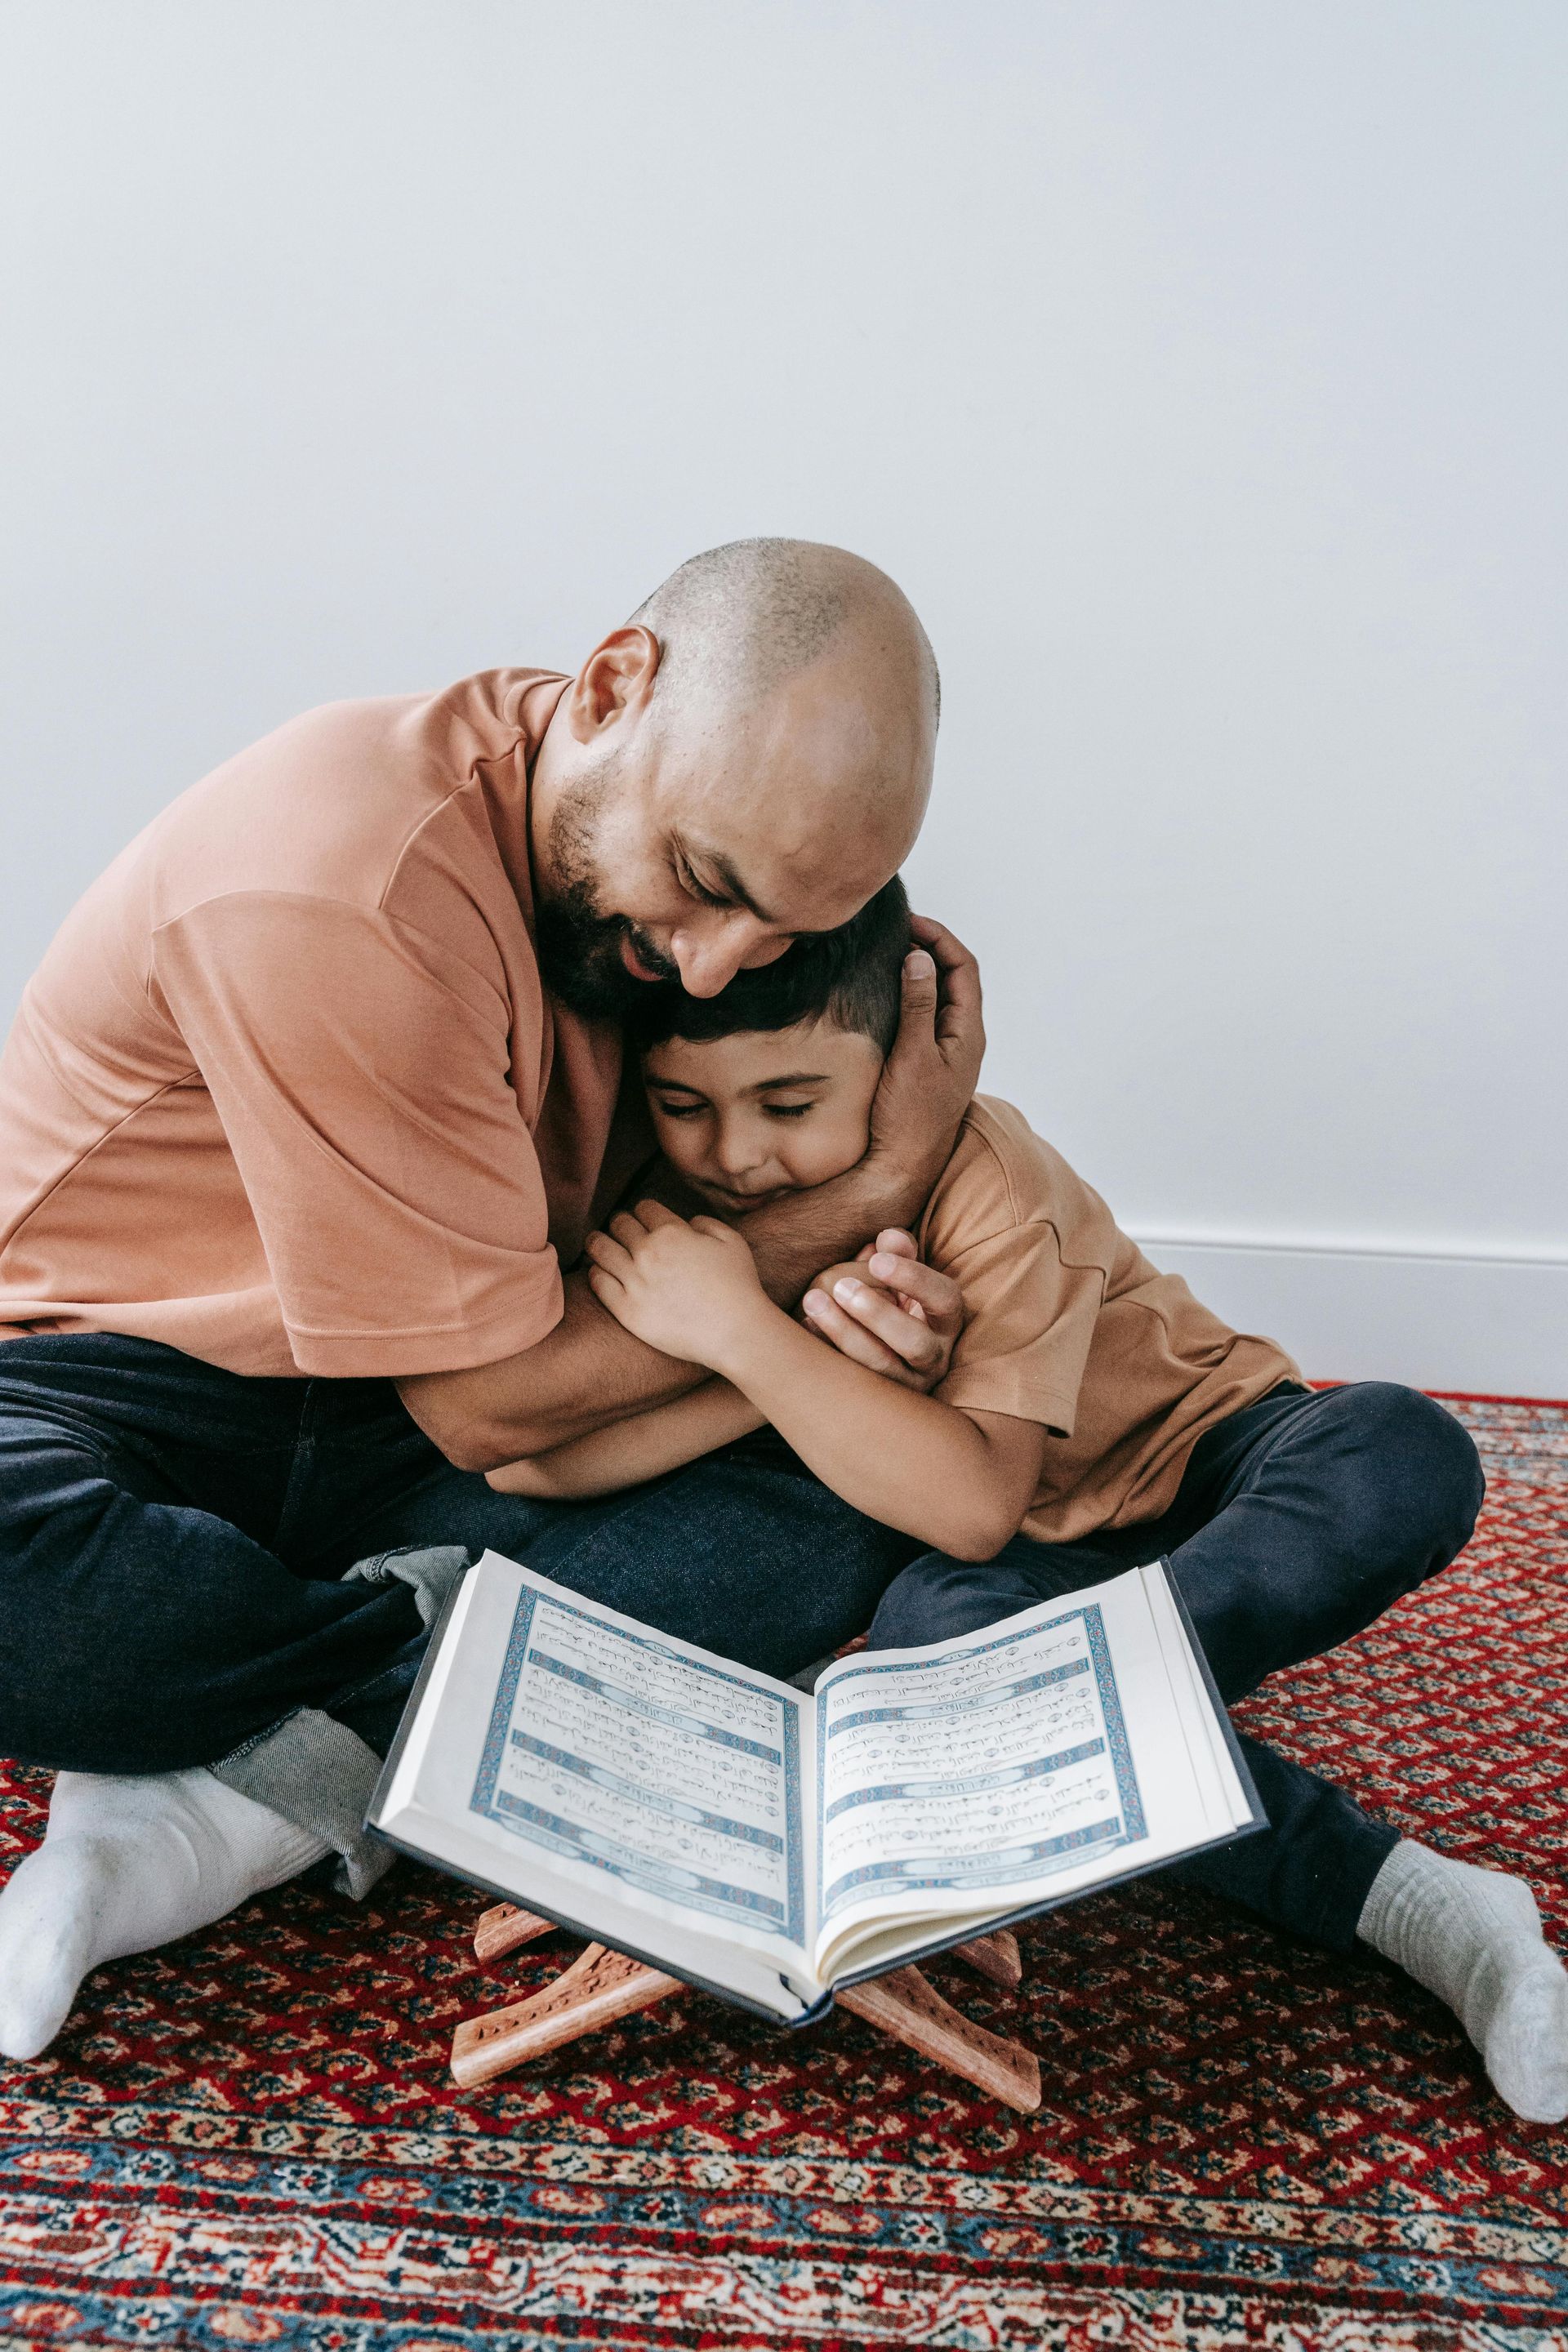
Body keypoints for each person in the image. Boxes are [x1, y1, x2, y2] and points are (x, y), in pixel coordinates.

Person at [0, 540, 981, 2060]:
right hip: (128, 1383)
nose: (716, 970)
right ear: (609, 688)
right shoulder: (343, 876)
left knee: (867, 1489)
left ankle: (238, 1782)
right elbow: (494, 1407)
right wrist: (863, 1202)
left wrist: (854, 1335)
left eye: (782, 935)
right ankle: (444, 1682)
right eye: (709, 889)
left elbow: (542, 1377)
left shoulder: (684, 873)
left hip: (447, 1422)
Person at [488, 877, 1568, 2123]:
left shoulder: (989, 1172)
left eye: (791, 1103)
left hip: (1210, 1464)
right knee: (937, 1652)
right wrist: (767, 1353)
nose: (736, 1153)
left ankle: (1064, 1725)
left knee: (1400, 1446)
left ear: (895, 1072)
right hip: (1033, 1579)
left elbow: (971, 1503)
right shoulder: (672, 1214)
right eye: (685, 1106)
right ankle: (1423, 1899)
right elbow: (532, 1461)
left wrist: (746, 1330)